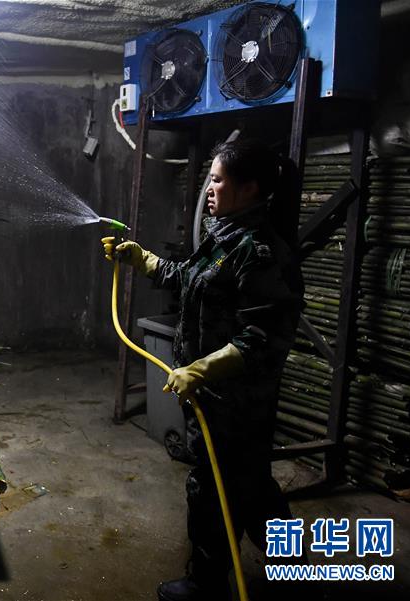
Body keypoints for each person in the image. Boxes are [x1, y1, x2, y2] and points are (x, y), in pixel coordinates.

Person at [102, 139, 304, 600]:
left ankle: (205, 585)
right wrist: (141, 259)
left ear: (250, 188)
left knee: (214, 490)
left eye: (216, 180)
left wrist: (200, 370)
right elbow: (188, 279)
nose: (208, 189)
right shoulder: (225, 237)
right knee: (250, 485)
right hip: (213, 398)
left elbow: (260, 340)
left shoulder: (261, 253)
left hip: (237, 402)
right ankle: (294, 571)